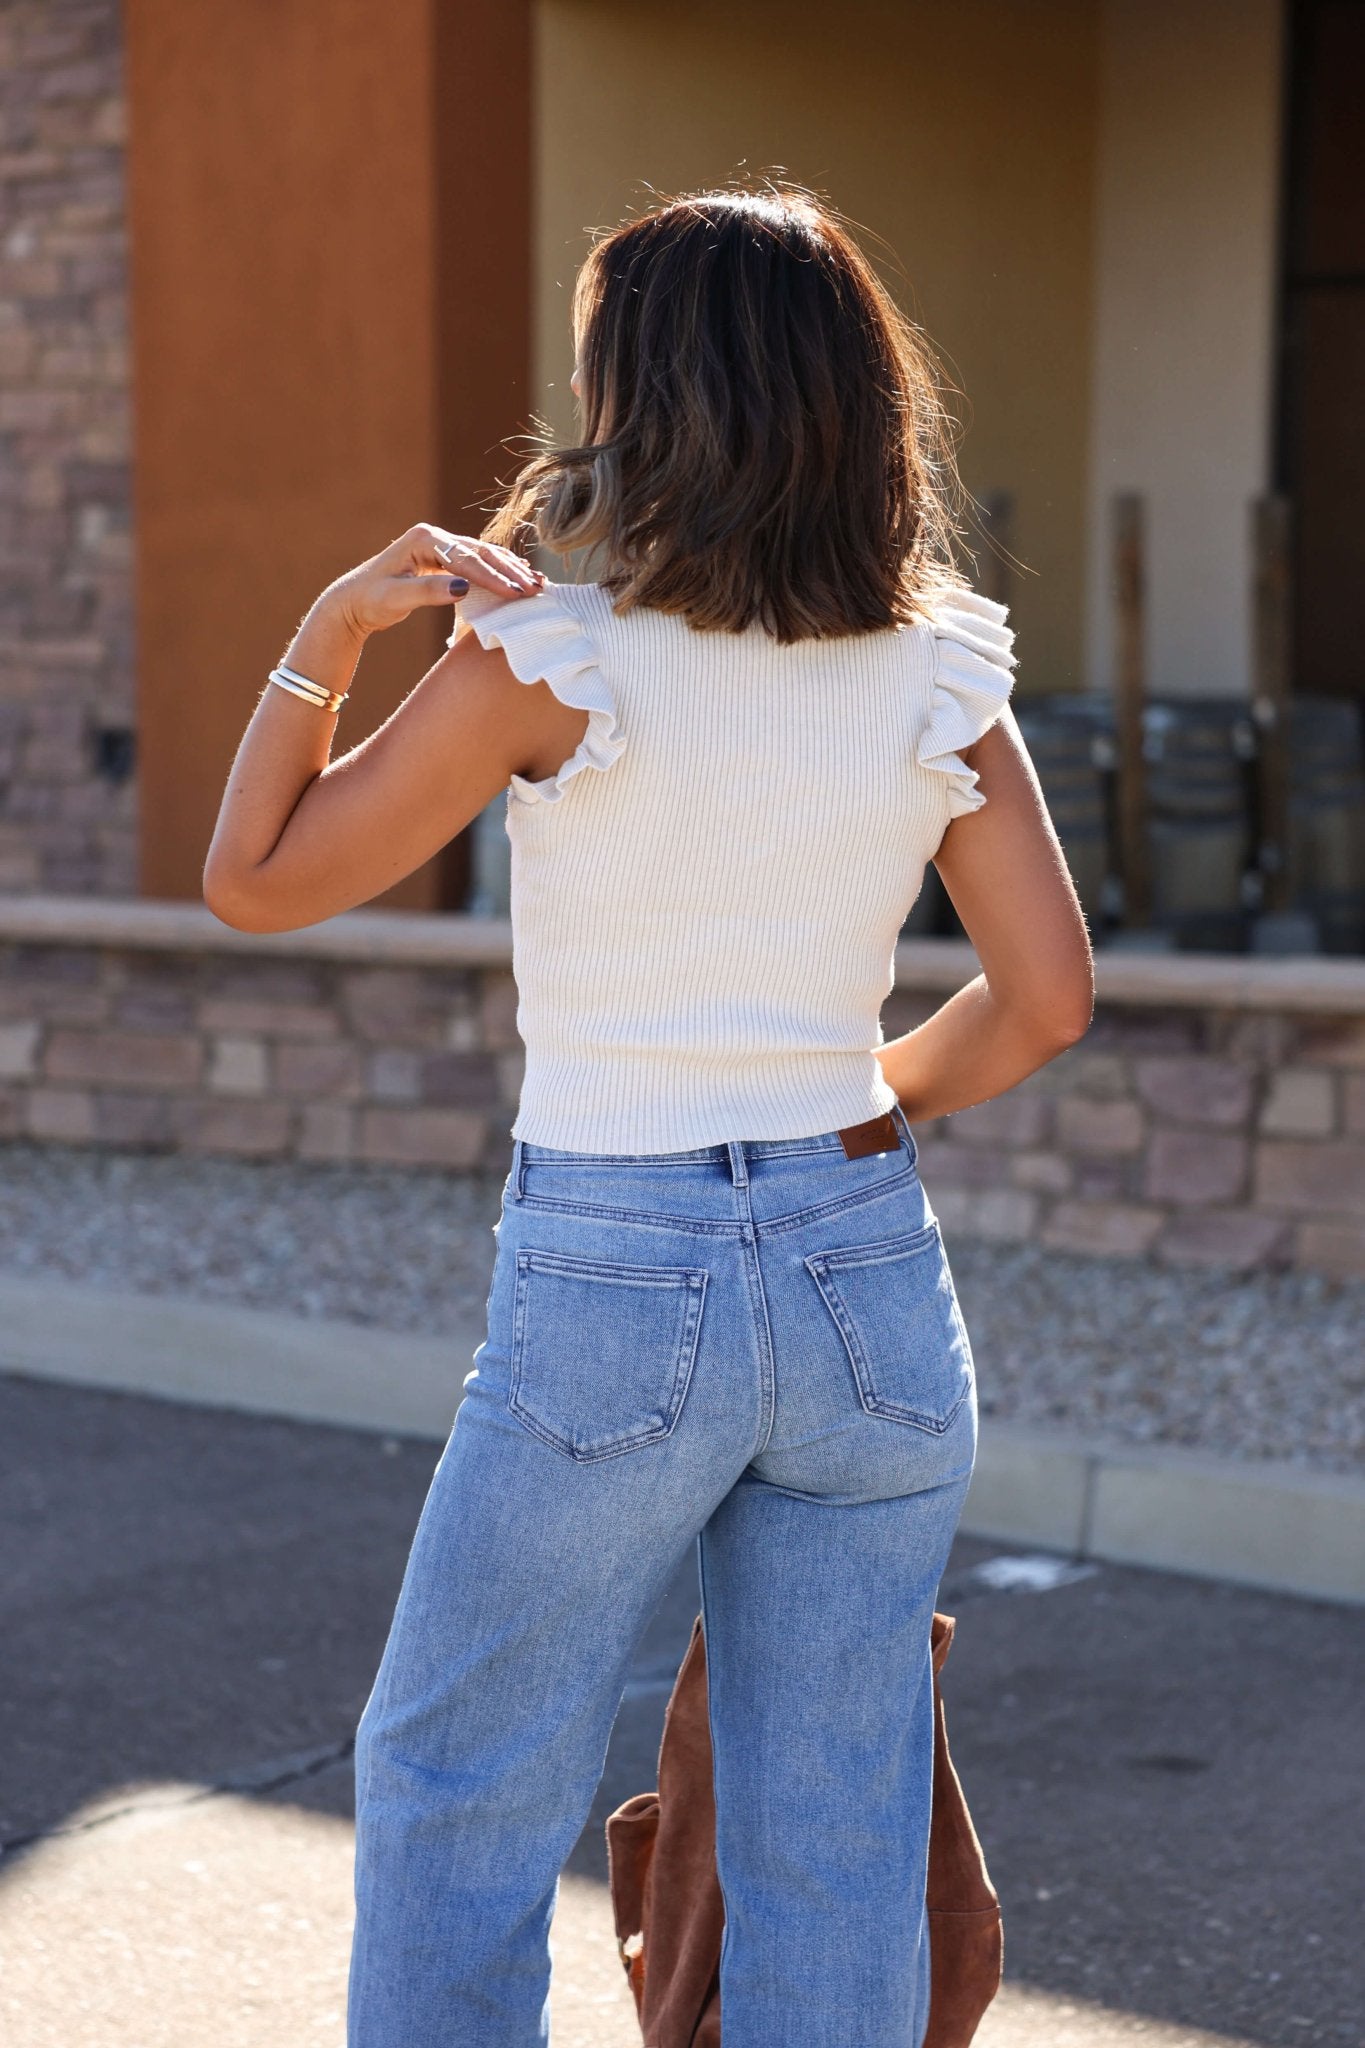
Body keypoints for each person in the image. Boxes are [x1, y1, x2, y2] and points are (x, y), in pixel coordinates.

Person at [204, 180, 1093, 2048]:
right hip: (869, 1274)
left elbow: (258, 882)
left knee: (459, 1776)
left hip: (616, 1271)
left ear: (643, 393)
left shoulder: (552, 657)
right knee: (831, 1836)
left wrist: (326, 634)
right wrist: (852, 1106)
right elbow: (1045, 1001)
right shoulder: (942, 664)